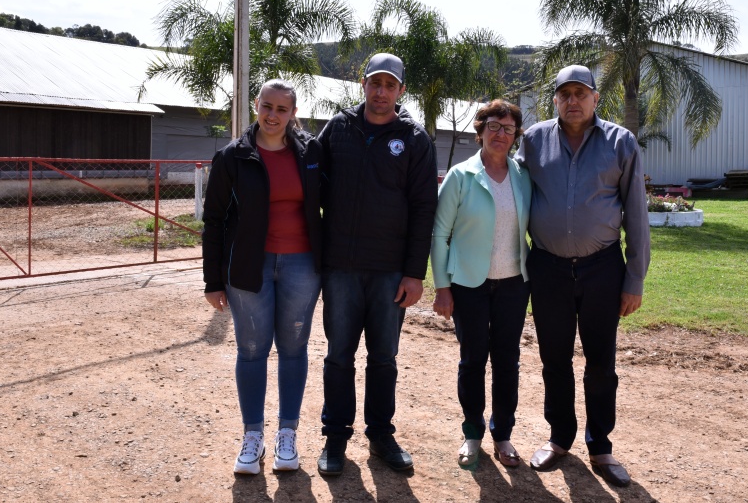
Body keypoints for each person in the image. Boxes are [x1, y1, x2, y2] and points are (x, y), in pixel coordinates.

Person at [516, 65, 650, 487]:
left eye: (581, 93)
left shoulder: (620, 142)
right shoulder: (534, 140)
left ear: (595, 98)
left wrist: (634, 279)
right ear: (554, 99)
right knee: (554, 359)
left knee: (601, 362)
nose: (572, 101)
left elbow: (638, 215)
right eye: (564, 94)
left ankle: (601, 445)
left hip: (602, 269)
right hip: (548, 269)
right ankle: (559, 438)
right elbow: (509, 189)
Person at [316, 53, 438, 476]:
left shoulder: (415, 139)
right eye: (375, 83)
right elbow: (312, 184)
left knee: (383, 357)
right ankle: (334, 437)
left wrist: (414, 273)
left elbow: (425, 208)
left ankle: (381, 433)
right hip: (341, 268)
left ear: (401, 91)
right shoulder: (338, 129)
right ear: (363, 85)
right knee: (338, 355)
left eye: (390, 85)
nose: (381, 92)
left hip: (390, 270)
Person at [201, 79, 323, 475]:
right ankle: (252, 436)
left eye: (281, 109)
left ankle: (287, 435)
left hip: (301, 266)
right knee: (252, 351)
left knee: (293, 349)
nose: (272, 116)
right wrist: (212, 280)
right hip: (247, 269)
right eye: (266, 107)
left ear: (293, 113)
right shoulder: (233, 157)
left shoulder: (311, 153)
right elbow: (214, 221)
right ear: (256, 106)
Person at [430, 100, 532, 469]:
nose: (500, 134)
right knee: (473, 360)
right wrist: (442, 287)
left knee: (507, 362)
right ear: (480, 131)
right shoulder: (460, 176)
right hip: (468, 285)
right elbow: (440, 233)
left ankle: (502, 435)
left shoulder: (523, 175)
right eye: (493, 126)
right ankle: (472, 434)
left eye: (508, 129)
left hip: (513, 285)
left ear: (516, 135)